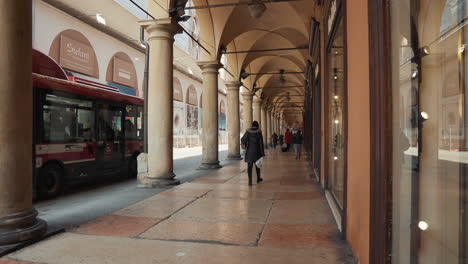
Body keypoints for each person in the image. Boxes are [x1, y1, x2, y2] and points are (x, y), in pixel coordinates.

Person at [241, 121, 265, 186]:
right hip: (257, 152)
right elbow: (261, 144)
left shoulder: (248, 132)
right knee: (257, 166)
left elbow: (243, 140)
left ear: (252, 125)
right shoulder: (259, 132)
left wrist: (245, 146)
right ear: (257, 126)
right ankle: (258, 179)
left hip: (249, 152)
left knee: (249, 167)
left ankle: (250, 181)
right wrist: (262, 154)